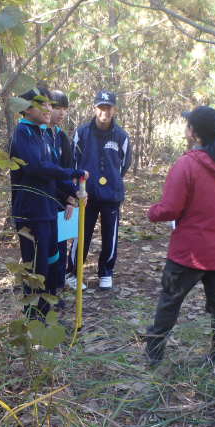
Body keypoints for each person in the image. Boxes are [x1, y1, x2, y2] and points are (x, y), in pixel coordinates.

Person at [143, 106, 215, 371]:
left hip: (190, 252)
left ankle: (153, 357)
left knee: (169, 303)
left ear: (193, 132)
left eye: (187, 124)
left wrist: (151, 212)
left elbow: (170, 209)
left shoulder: (187, 164)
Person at [9, 87, 86, 320]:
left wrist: (74, 192)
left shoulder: (43, 134)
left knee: (52, 260)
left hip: (48, 208)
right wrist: (72, 172)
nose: (48, 109)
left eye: (50, 105)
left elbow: (54, 173)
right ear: (26, 108)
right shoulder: (22, 133)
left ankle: (46, 312)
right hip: (31, 213)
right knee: (36, 267)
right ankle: (34, 318)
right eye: (42, 104)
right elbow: (37, 167)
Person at [66, 90, 132, 291]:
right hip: (86, 194)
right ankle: (72, 273)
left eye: (109, 107)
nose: (105, 111)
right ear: (94, 108)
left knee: (110, 235)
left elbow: (124, 164)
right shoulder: (82, 133)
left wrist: (112, 180)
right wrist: (76, 190)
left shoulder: (122, 136)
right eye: (101, 107)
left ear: (114, 109)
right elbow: (73, 162)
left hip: (111, 195)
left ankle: (106, 273)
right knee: (81, 234)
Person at [48, 90, 75, 297]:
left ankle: (57, 289)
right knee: (45, 250)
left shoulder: (62, 137)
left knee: (60, 248)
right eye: (57, 107)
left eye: (65, 109)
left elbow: (68, 171)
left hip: (61, 203)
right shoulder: (37, 135)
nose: (62, 113)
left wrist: (70, 200)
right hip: (43, 202)